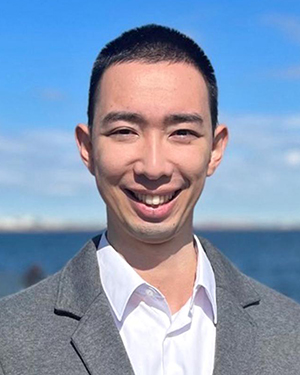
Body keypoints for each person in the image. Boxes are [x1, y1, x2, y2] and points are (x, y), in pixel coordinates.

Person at [0, 24, 299, 375]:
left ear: (215, 150)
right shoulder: (10, 340)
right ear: (88, 148)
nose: (153, 167)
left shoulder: (290, 333)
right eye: (125, 132)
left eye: (182, 132)